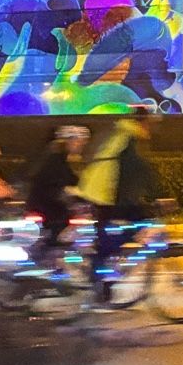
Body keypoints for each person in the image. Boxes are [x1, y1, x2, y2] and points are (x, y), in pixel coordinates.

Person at [77, 108, 161, 291]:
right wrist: (157, 196)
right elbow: (138, 170)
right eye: (150, 123)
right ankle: (98, 275)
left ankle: (101, 277)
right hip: (105, 193)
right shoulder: (130, 138)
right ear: (143, 121)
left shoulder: (123, 133)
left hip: (100, 190)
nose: (152, 128)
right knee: (125, 229)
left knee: (115, 232)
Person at [27, 123, 89, 248]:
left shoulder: (59, 160)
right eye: (79, 141)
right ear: (68, 141)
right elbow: (56, 188)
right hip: (52, 215)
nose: (81, 145)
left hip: (52, 213)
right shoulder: (56, 162)